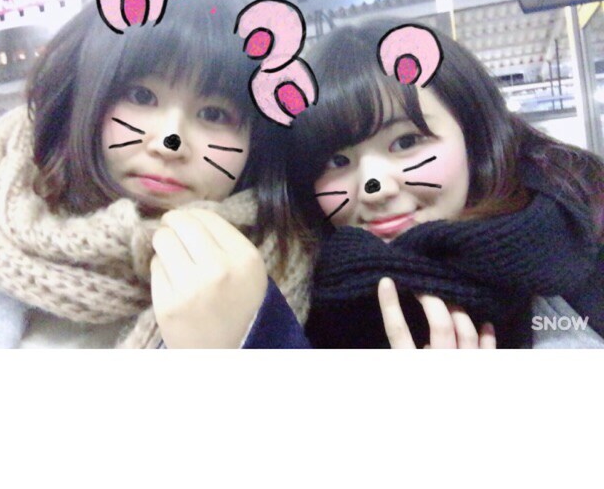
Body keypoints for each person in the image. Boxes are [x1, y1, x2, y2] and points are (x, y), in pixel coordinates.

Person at [0, 0, 312, 349]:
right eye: (141, 96)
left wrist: (256, 337)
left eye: (214, 114)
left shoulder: (290, 266)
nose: (170, 143)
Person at [247, 18, 604, 349]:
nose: (374, 187)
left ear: (475, 135)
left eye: (406, 142)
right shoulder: (289, 308)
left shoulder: (581, 245)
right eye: (336, 161)